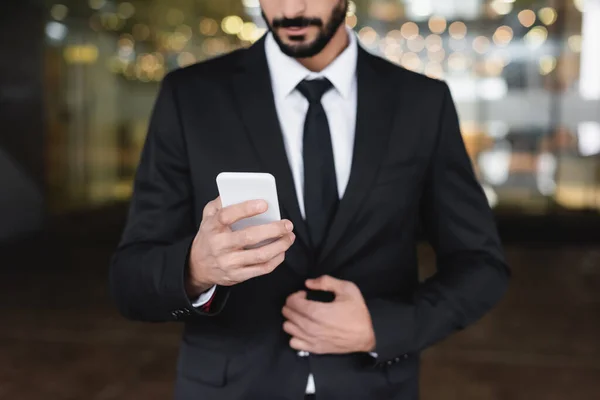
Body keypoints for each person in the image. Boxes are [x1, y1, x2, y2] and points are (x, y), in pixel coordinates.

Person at [109, 0, 510, 399]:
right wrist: (195, 269)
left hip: (374, 388)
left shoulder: (422, 102)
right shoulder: (190, 97)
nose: (291, 9)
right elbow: (131, 278)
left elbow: (481, 264)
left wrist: (383, 328)